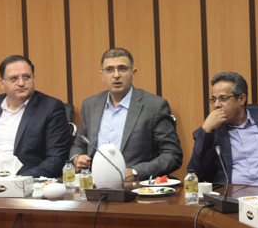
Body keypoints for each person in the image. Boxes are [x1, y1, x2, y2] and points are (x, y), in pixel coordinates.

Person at [70, 48, 182, 181]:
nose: (116, 75)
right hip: (93, 184)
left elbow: (172, 154)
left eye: (122, 69)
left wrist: (136, 172)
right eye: (109, 70)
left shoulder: (154, 106)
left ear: (133, 73)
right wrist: (77, 158)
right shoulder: (91, 105)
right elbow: (79, 144)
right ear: (102, 75)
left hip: (134, 187)